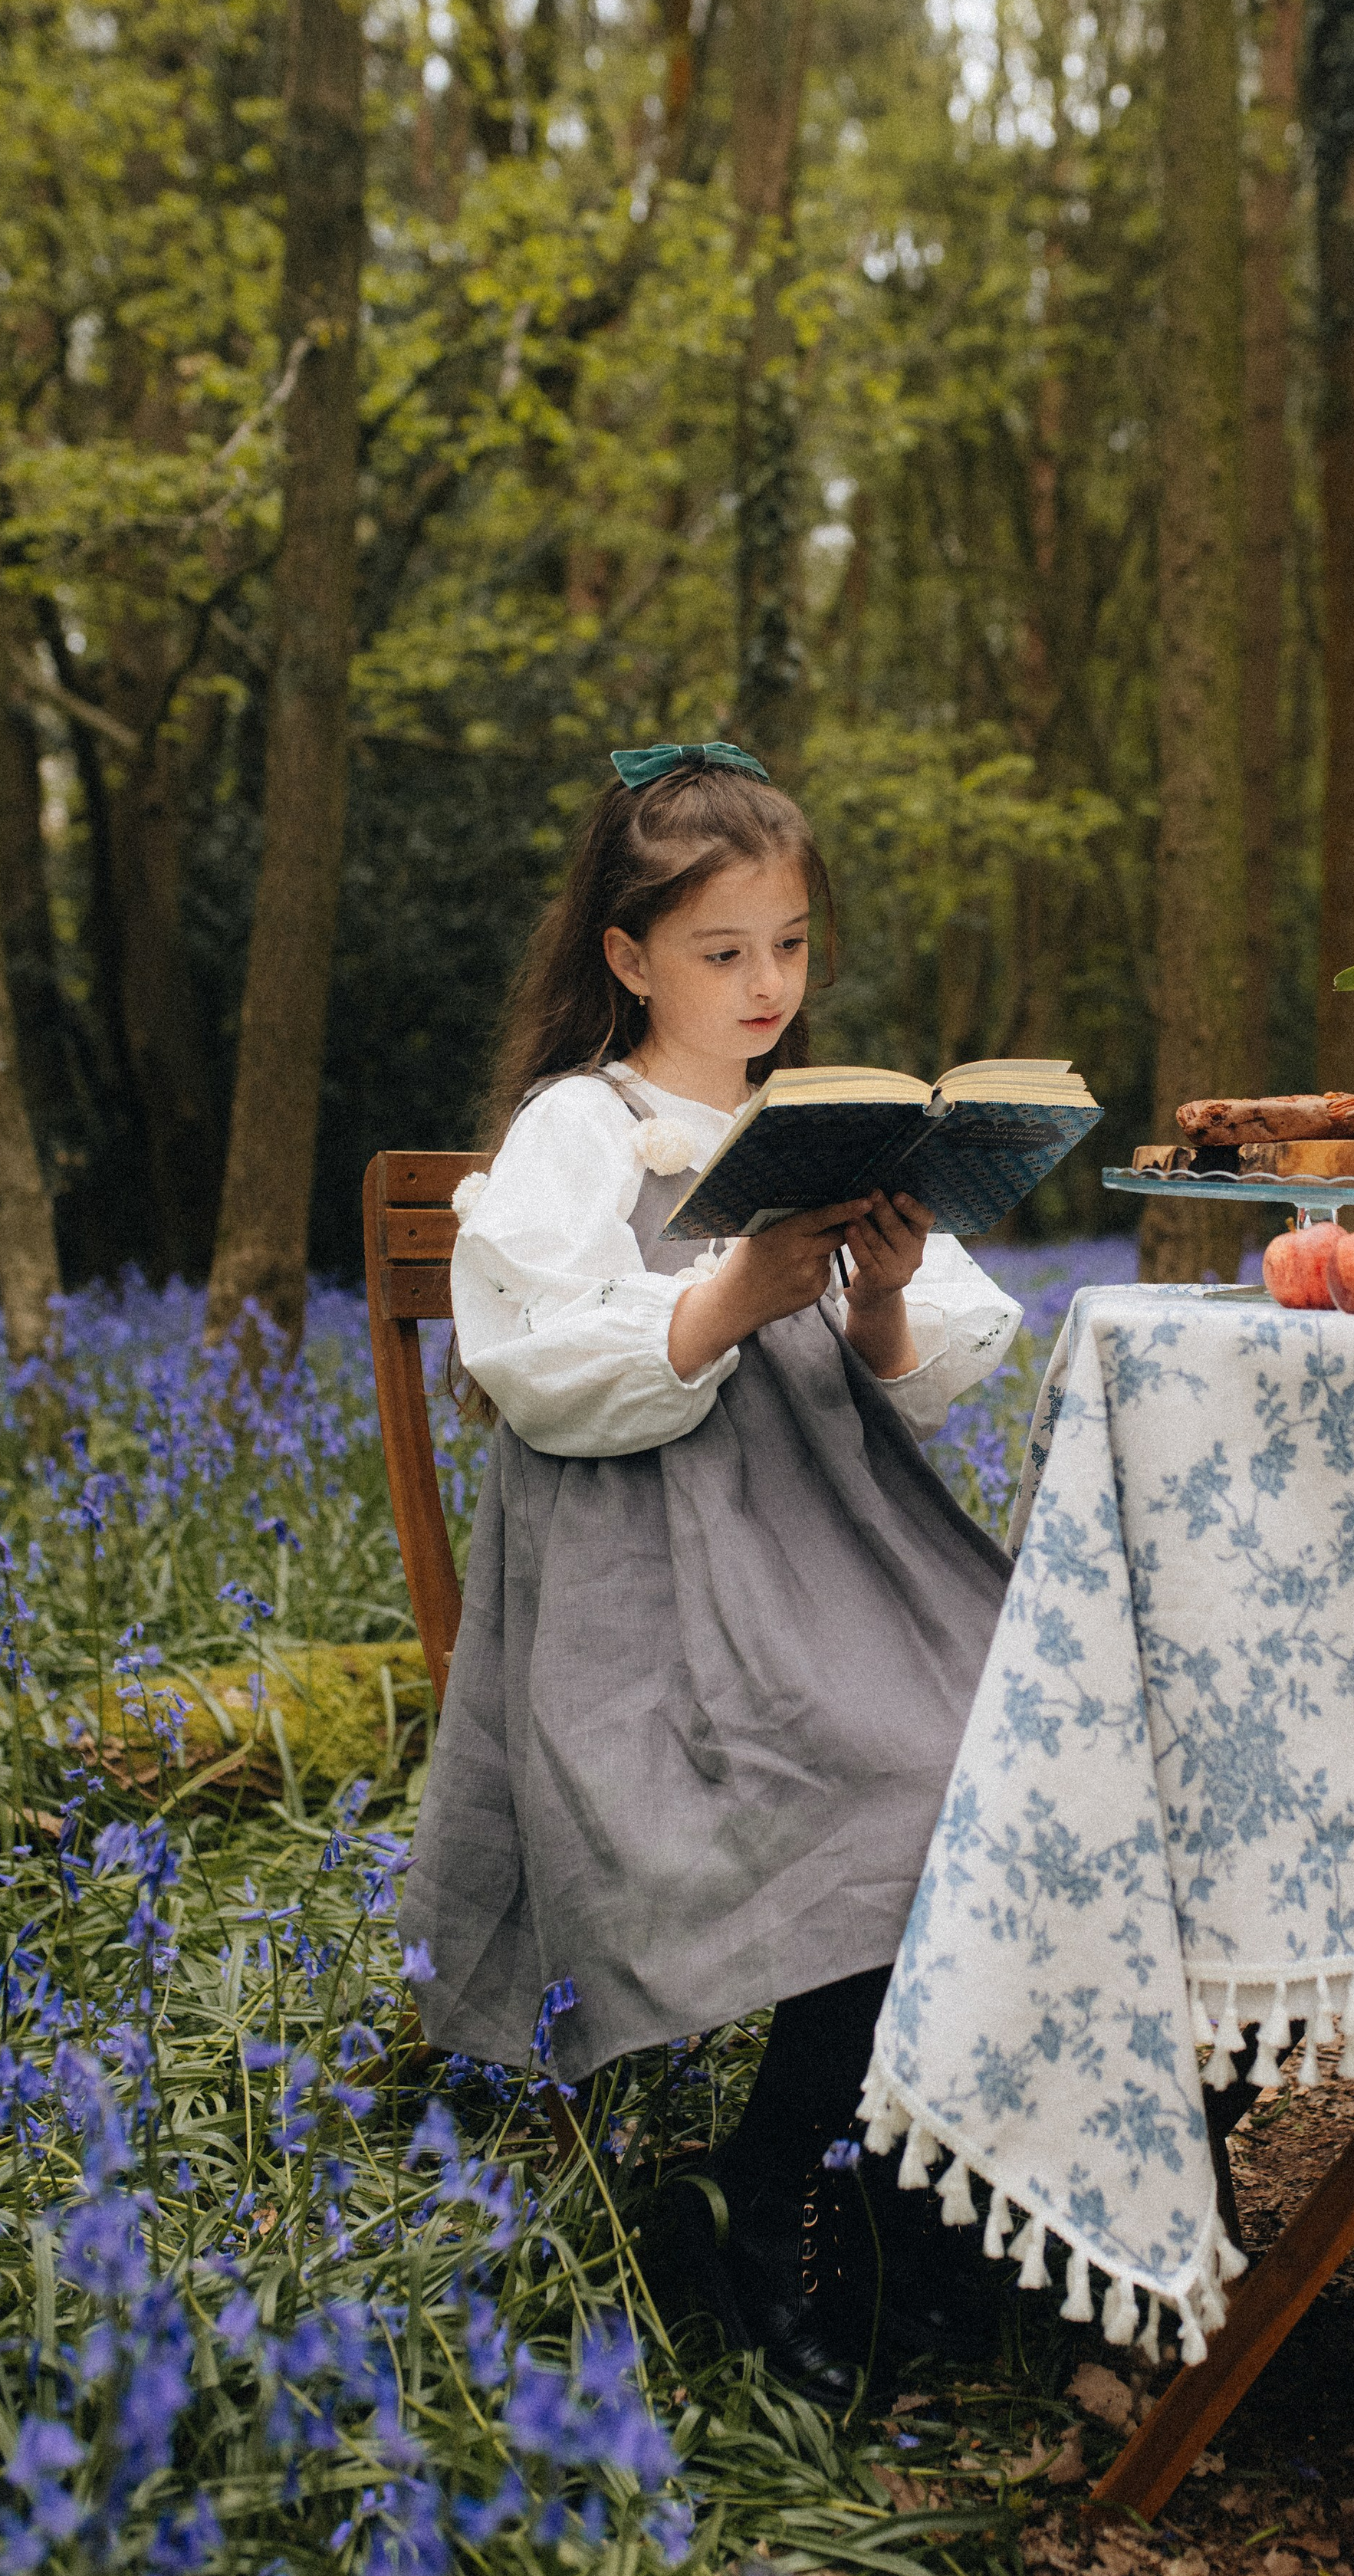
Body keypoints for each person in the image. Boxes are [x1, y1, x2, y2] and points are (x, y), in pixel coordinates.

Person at [398, 741, 1022, 2402]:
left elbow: (904, 1373)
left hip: (841, 1562)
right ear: (626, 958)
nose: (765, 986)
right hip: (651, 1600)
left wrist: (874, 1287)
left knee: (1033, 1756)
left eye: (791, 948)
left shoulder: (804, 1124)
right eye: (720, 951)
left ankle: (909, 2214)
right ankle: (765, 2207)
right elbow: (531, 1366)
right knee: (898, 1786)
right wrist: (735, 1290)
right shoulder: (580, 1130)